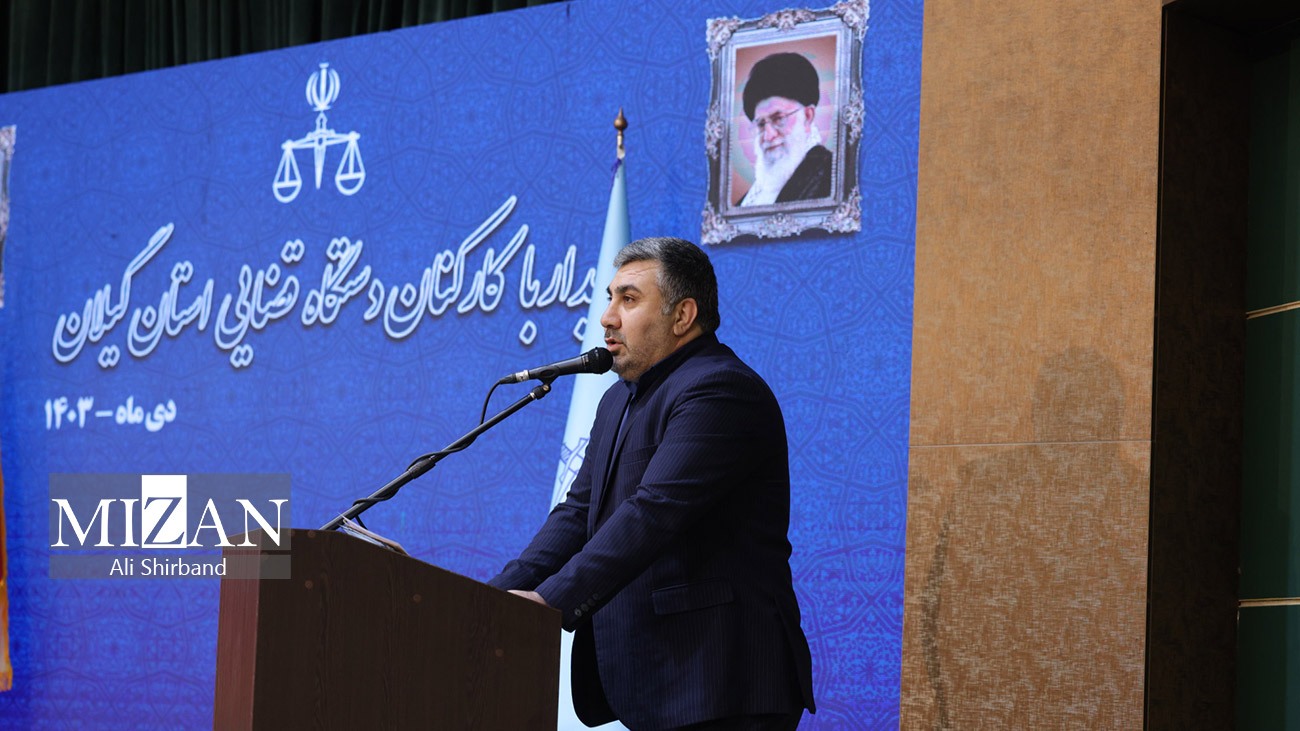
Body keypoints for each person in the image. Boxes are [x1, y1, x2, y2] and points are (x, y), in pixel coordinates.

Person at [489, 237, 815, 730]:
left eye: (629, 299)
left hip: (721, 678)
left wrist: (549, 601)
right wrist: (492, 599)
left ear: (682, 316)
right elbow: (577, 514)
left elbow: (653, 511)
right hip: (660, 679)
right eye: (610, 298)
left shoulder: (720, 389)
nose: (607, 318)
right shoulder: (617, 400)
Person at [737, 52, 833, 207]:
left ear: (807, 116)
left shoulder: (833, 176)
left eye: (779, 119)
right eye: (761, 124)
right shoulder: (748, 199)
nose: (768, 136)